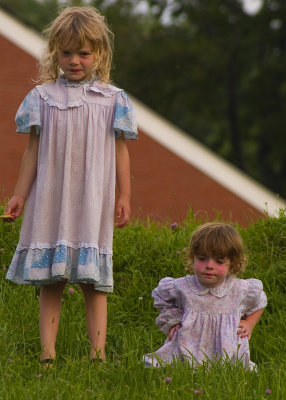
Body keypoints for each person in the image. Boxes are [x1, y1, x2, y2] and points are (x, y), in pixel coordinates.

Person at [5, 6, 137, 365]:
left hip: (94, 200)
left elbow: (121, 153)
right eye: (66, 52)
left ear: (100, 54)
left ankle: (99, 357)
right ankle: (47, 356)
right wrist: (19, 193)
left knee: (93, 283)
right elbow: (31, 153)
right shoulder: (42, 98)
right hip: (50, 198)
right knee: (52, 280)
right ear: (55, 53)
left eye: (83, 53)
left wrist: (124, 195)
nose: (74, 60)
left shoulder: (113, 100)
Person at [143, 222, 267, 369]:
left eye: (219, 261)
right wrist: (173, 321)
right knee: (166, 366)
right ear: (192, 258)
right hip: (185, 347)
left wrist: (249, 323)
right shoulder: (183, 287)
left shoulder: (240, 289)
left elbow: (260, 302)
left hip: (227, 351)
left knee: (232, 370)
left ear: (232, 264)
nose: (209, 265)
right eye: (202, 258)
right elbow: (161, 297)